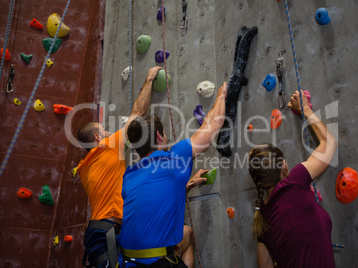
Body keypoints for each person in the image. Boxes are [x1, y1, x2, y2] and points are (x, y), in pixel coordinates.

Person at [118, 82, 228, 267]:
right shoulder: (173, 160)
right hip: (154, 263)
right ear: (160, 137)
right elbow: (214, 123)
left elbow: (153, 201)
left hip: (126, 261)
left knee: (187, 232)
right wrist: (222, 95)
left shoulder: (129, 176)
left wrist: (187, 185)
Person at [77, 66, 162, 267]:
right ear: (98, 138)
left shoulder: (84, 167)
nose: (109, 133)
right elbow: (138, 113)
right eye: (105, 131)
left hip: (102, 231)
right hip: (106, 232)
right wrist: (149, 79)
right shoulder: (106, 147)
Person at [248, 90, 338, 268]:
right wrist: (305, 109)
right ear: (283, 166)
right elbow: (329, 144)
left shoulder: (261, 223)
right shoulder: (296, 180)